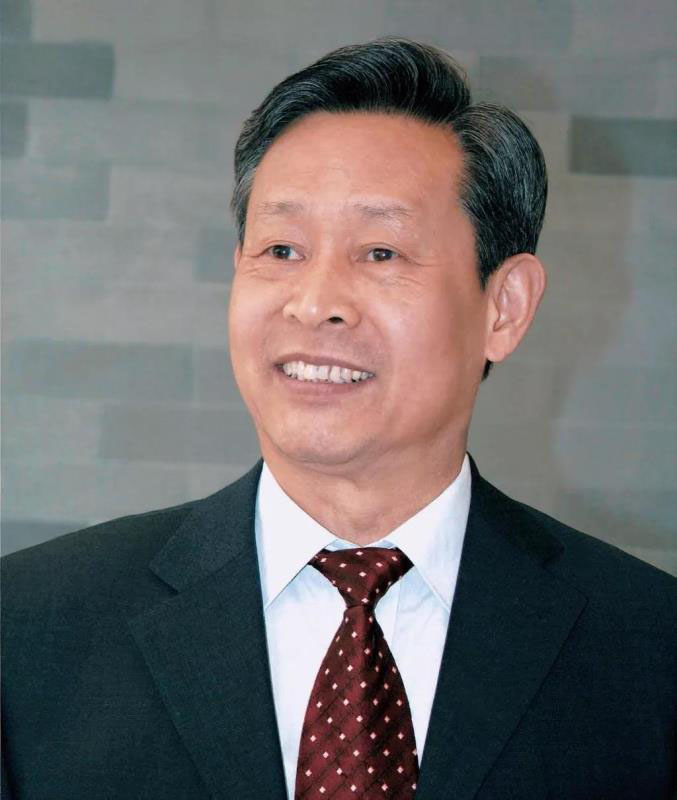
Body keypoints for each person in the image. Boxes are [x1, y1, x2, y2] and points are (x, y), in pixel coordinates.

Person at [2, 38, 675, 800]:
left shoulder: (649, 650)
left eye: (380, 253)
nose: (315, 302)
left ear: (504, 306)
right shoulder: (27, 633)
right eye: (281, 249)